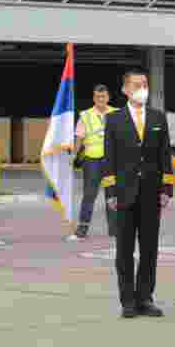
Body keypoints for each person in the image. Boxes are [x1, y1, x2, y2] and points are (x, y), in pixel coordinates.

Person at [102, 70, 174, 319]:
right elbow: (108, 158)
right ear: (125, 90)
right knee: (124, 250)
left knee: (149, 248)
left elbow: (165, 155)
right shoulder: (114, 120)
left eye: (144, 84)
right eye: (136, 85)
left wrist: (166, 188)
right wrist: (110, 191)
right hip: (123, 192)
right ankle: (128, 300)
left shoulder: (158, 117)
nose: (142, 88)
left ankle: (145, 298)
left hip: (151, 193)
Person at [71, 84, 117, 240]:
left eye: (103, 97)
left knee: (113, 195)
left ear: (108, 98)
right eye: (98, 97)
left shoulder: (116, 114)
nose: (101, 100)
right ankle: (82, 228)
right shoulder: (86, 115)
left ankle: (115, 229)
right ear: (94, 98)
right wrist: (73, 156)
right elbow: (79, 138)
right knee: (89, 195)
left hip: (112, 161)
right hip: (92, 161)